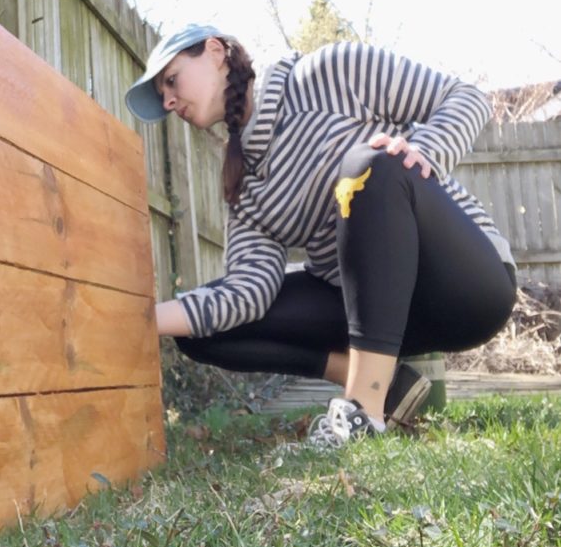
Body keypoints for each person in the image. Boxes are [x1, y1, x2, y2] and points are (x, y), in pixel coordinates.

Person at [125, 25, 517, 448]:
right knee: (197, 327)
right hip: (376, 315)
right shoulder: (245, 186)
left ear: (216, 51)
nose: (168, 101)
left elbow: (466, 98)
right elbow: (247, 293)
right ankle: (379, 383)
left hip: (465, 285)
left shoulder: (326, 74)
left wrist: (424, 150)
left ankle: (363, 412)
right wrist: (139, 316)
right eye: (162, 96)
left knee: (369, 165)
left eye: (171, 80)